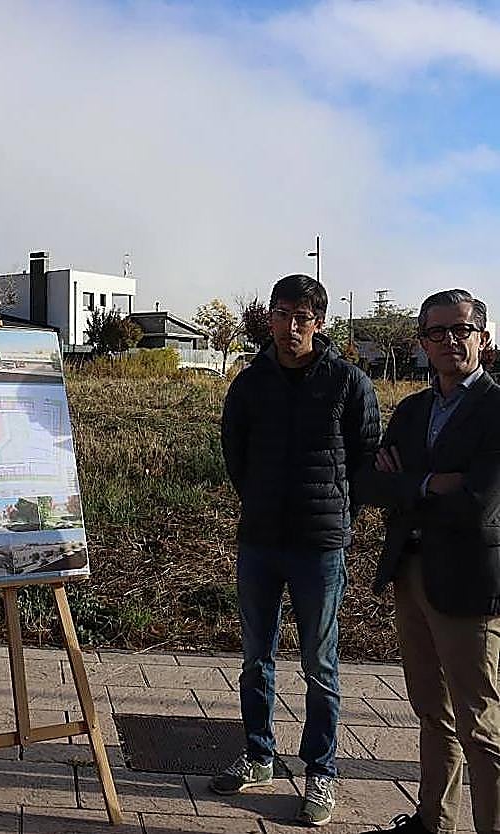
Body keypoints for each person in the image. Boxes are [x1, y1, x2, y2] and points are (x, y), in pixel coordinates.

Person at [213, 274, 379, 826]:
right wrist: (259, 501)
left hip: (320, 545)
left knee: (319, 664)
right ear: (269, 319)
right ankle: (260, 755)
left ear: (320, 322)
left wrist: (336, 512)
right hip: (259, 540)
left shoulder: (347, 382)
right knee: (256, 658)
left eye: (302, 317)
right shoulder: (249, 382)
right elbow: (234, 452)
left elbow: (365, 455)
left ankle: (320, 772)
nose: (290, 327)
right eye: (281, 314)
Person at [355, 289, 500, 834]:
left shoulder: (496, 409)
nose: (449, 341)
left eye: (460, 330)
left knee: (480, 723)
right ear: (422, 343)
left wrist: (404, 484)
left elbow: (478, 505)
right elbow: (371, 482)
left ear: (483, 338)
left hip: (466, 582)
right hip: (410, 572)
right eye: (436, 332)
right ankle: (432, 821)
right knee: (431, 711)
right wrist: (426, 482)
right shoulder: (414, 409)